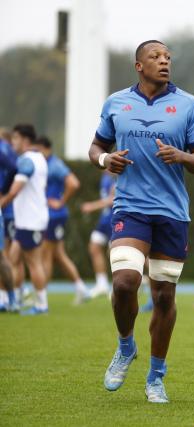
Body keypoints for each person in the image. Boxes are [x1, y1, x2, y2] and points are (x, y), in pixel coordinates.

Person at [88, 40, 194, 403]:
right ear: (138, 66)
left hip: (172, 213)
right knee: (125, 283)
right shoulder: (116, 103)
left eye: (168, 58)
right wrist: (104, 160)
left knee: (162, 296)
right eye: (156, 57)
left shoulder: (188, 105)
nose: (164, 62)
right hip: (130, 207)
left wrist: (183, 156)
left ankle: (156, 375)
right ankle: (126, 346)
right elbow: (95, 147)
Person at [0, 124, 49, 315]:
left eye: (15, 139)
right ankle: (14, 298)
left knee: (33, 262)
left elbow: (15, 188)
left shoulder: (28, 161)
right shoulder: (37, 158)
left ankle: (41, 305)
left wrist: (2, 201)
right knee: (12, 258)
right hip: (26, 220)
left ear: (25, 140)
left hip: (31, 220)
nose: (12, 143)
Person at [35, 136, 89, 305]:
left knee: (46, 254)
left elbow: (73, 183)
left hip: (54, 215)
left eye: (38, 150)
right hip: (49, 215)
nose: (36, 154)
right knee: (58, 254)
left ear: (46, 148)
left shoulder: (55, 164)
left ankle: (41, 297)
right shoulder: (45, 164)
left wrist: (60, 202)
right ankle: (81, 288)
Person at [81, 170, 115, 298]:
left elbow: (113, 199)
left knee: (114, 254)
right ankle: (102, 284)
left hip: (115, 219)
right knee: (94, 246)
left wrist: (92, 206)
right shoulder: (105, 176)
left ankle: (120, 285)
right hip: (105, 220)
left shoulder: (117, 175)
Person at [0, 130, 18, 312]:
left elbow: (13, 168)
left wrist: (3, 191)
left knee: (2, 255)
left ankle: (11, 298)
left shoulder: (2, 149)